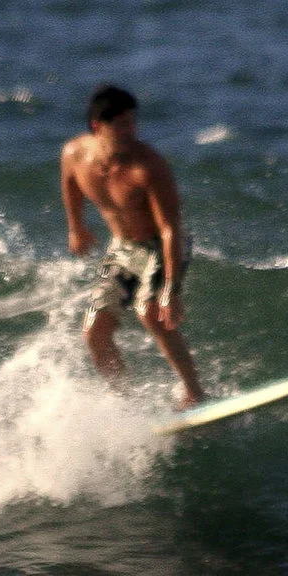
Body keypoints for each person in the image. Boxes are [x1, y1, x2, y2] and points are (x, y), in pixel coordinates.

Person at [60, 84, 206, 408]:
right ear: (99, 126)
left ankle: (194, 393)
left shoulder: (149, 166)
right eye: (122, 124)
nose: (132, 130)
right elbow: (70, 184)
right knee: (94, 331)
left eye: (133, 122)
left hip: (161, 244)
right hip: (122, 248)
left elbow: (170, 229)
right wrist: (77, 227)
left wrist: (172, 289)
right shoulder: (74, 154)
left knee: (151, 313)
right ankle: (125, 403)